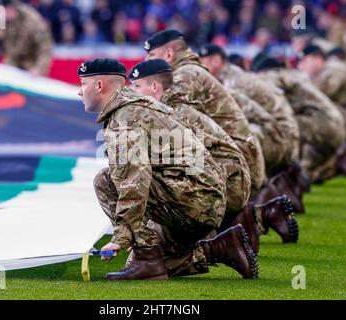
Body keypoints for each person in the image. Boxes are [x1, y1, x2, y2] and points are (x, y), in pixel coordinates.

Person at [78, 58, 258, 280]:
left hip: (194, 200)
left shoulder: (125, 116)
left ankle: (146, 259)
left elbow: (135, 180)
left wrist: (122, 236)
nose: (79, 92)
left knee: (104, 180)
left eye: (83, 84)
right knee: (164, 263)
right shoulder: (136, 106)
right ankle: (221, 248)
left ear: (99, 86)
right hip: (203, 199)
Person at [128, 59, 299, 252]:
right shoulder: (169, 107)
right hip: (233, 176)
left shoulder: (172, 113)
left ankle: (220, 247)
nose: (131, 92)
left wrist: (147, 230)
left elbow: (178, 172)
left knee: (164, 242)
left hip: (233, 180)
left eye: (136, 86)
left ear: (154, 87)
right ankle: (250, 220)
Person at [144, 30, 265, 197]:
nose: (146, 61)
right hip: (236, 160)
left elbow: (165, 116)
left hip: (238, 166)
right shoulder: (188, 71)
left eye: (151, 55)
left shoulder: (186, 74)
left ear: (169, 54)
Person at [198, 43, 300, 178]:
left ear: (216, 61)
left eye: (202, 62)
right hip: (279, 134)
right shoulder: (228, 77)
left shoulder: (232, 81)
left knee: (230, 140)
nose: (199, 67)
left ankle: (255, 186)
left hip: (281, 138)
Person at [252, 54, 346, 184]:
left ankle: (287, 173)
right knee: (312, 171)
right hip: (334, 124)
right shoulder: (294, 75)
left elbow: (262, 85)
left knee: (280, 128)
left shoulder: (276, 75)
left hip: (321, 123)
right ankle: (336, 164)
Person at [298, 44, 346, 184]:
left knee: (316, 122)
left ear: (317, 58)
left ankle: (335, 161)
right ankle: (320, 168)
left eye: (304, 60)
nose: (301, 65)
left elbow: (319, 96)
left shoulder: (334, 68)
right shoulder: (331, 68)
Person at [0, 0, 53, 76]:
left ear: (12, 8)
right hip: (12, 63)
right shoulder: (1, 18)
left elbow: (45, 49)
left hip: (31, 65)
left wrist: (39, 68)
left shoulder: (33, 20)